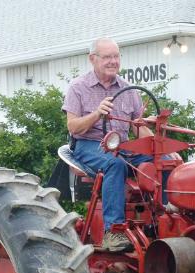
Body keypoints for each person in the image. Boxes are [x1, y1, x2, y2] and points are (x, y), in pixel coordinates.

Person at [62, 37, 154, 252]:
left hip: (121, 145)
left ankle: (167, 213)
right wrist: (96, 114)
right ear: (93, 59)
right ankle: (113, 232)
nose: (113, 61)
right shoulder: (78, 87)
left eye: (116, 56)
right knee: (115, 165)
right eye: (107, 57)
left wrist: (154, 144)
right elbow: (73, 127)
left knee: (164, 159)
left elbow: (137, 127)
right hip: (88, 144)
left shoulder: (128, 89)